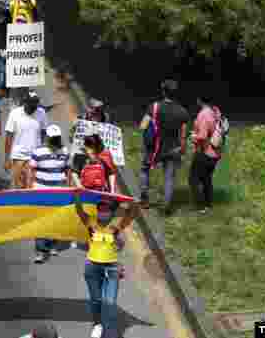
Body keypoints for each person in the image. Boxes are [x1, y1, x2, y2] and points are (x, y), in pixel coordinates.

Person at [74, 193, 140, 338]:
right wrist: (77, 196)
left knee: (109, 302)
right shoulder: (90, 222)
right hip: (92, 266)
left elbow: (133, 213)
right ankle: (98, 324)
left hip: (112, 268)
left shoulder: (116, 226)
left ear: (111, 212)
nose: (103, 212)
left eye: (106, 209)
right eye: (101, 209)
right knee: (96, 300)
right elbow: (79, 210)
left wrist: (133, 203)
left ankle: (109, 333)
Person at [139, 79, 189, 214]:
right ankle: (166, 205)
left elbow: (142, 126)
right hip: (172, 148)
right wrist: (183, 148)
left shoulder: (154, 107)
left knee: (145, 169)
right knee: (169, 177)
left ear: (163, 91)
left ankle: (144, 199)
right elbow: (183, 134)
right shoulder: (182, 111)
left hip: (154, 147)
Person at [29, 125, 72, 263]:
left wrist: (69, 187)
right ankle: (41, 250)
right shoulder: (38, 151)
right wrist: (30, 188)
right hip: (41, 191)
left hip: (59, 191)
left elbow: (67, 170)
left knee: (56, 220)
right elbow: (31, 170)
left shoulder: (65, 151)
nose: (54, 140)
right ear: (47, 137)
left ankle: (52, 244)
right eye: (52, 138)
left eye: (56, 138)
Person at [4, 91, 48, 189]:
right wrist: (7, 159)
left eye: (36, 103)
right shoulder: (14, 113)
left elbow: (44, 132)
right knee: (18, 185)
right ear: (25, 103)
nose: (34, 106)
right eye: (32, 103)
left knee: (31, 185)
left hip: (35, 156)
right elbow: (9, 136)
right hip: (18, 156)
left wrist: (44, 151)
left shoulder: (41, 112)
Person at [189, 95, 224, 213]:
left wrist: (194, 136)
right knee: (206, 179)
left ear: (199, 100)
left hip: (205, 152)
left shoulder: (204, 114)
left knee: (193, 179)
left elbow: (203, 136)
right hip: (215, 152)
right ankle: (207, 205)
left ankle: (198, 205)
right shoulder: (216, 111)